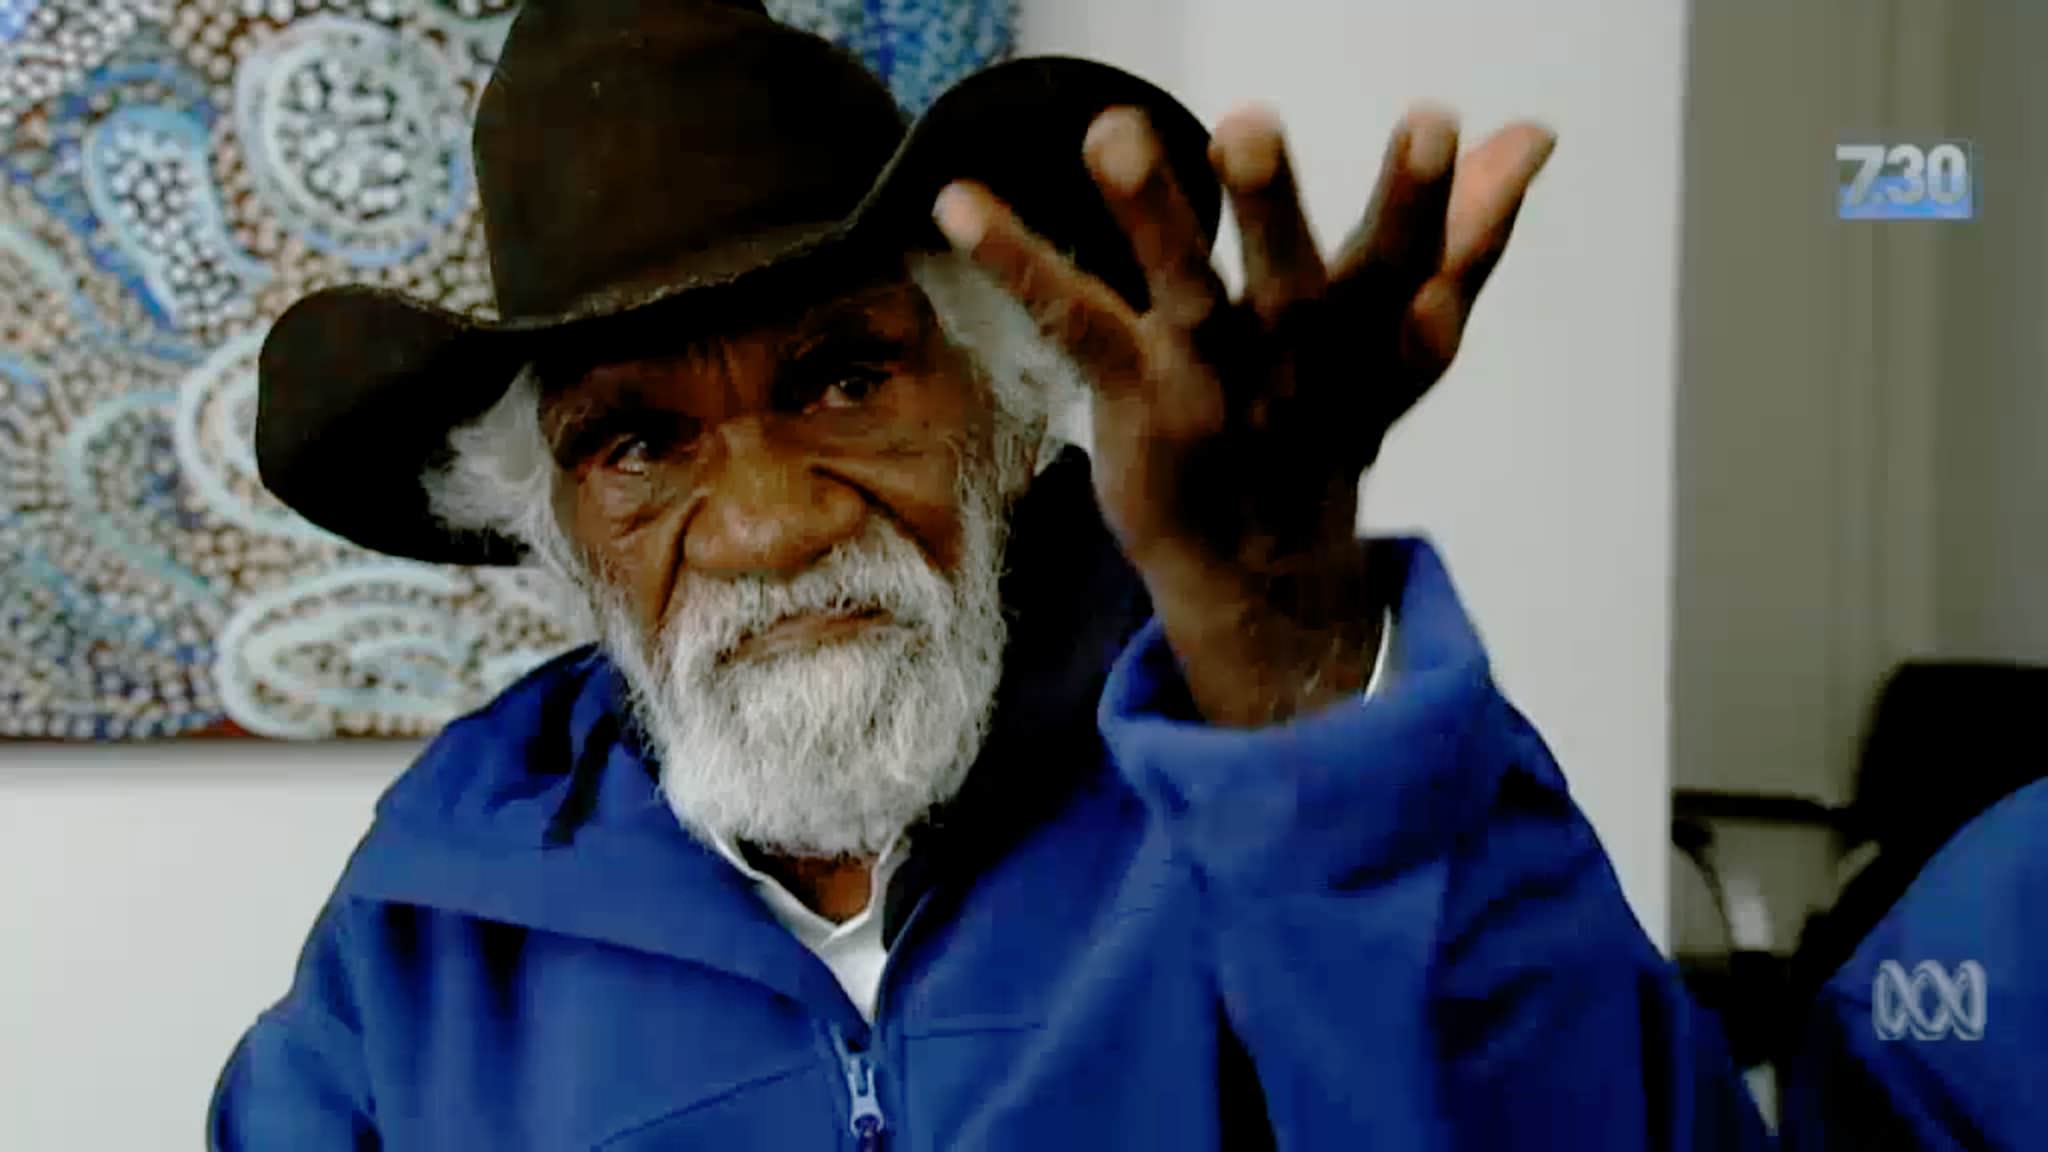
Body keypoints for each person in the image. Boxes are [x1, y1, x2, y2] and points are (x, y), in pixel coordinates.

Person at [212, 0, 1768, 1147]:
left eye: (840, 381)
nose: (766, 526)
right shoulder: (432, 927)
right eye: (636, 444)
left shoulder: (1307, 762)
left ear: (1008, 399)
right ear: (556, 523)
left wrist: (1294, 690)